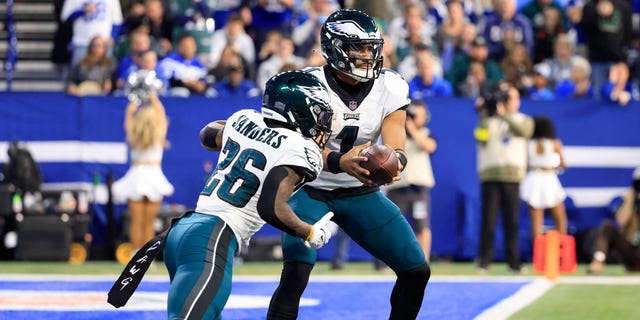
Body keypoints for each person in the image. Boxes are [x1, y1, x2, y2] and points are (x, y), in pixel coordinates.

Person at [267, 9, 430, 320]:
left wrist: (397, 161)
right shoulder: (307, 83)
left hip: (360, 193)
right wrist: (339, 161)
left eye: (371, 47)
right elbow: (297, 147)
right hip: (310, 189)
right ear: (334, 47)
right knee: (295, 275)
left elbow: (396, 139)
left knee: (416, 270)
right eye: (358, 47)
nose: (367, 55)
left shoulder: (390, 85)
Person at [163, 70, 335, 319]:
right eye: (318, 113)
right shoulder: (301, 148)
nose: (322, 123)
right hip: (214, 237)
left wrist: (238, 134)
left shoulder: (244, 118)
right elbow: (272, 207)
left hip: (183, 231)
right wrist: (308, 231)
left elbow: (207, 135)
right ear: (299, 111)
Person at [474, 82, 534, 273]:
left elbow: (524, 132)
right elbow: (481, 138)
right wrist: (484, 114)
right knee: (488, 220)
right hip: (490, 175)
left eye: (511, 98)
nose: (508, 101)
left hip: (512, 176)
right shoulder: (489, 120)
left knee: (512, 221)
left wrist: (504, 115)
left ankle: (514, 262)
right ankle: (484, 261)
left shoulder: (523, 119)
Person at [112, 88, 174, 253]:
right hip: (152, 174)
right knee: (149, 221)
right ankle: (146, 258)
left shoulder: (133, 134)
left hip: (137, 175)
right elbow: (161, 114)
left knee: (137, 220)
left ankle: (136, 254)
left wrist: (137, 96)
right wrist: (152, 95)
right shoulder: (158, 134)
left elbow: (129, 113)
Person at [385, 100, 437, 262]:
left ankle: (423, 260)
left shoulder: (426, 133)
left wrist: (413, 129)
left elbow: (429, 147)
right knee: (392, 226)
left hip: (418, 189)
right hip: (398, 187)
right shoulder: (397, 137)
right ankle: (391, 261)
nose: (414, 118)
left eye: (418, 115)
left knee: (422, 226)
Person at [519, 115, 568, 240]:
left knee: (536, 222)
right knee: (560, 219)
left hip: (533, 181)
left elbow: (524, 165)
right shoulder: (555, 143)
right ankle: (561, 250)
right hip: (549, 180)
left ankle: (537, 255)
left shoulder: (527, 144)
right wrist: (552, 167)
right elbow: (563, 165)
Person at [587, 168, 640, 274]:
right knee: (607, 227)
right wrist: (629, 201)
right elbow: (620, 222)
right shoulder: (630, 201)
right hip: (632, 251)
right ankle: (598, 260)